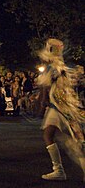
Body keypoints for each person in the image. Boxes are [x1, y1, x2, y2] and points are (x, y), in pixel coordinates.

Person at [37, 38, 85, 182]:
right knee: (50, 134)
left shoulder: (53, 67)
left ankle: (59, 170)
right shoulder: (61, 66)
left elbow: (45, 86)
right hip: (62, 106)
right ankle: (58, 170)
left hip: (61, 106)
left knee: (76, 140)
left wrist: (41, 103)